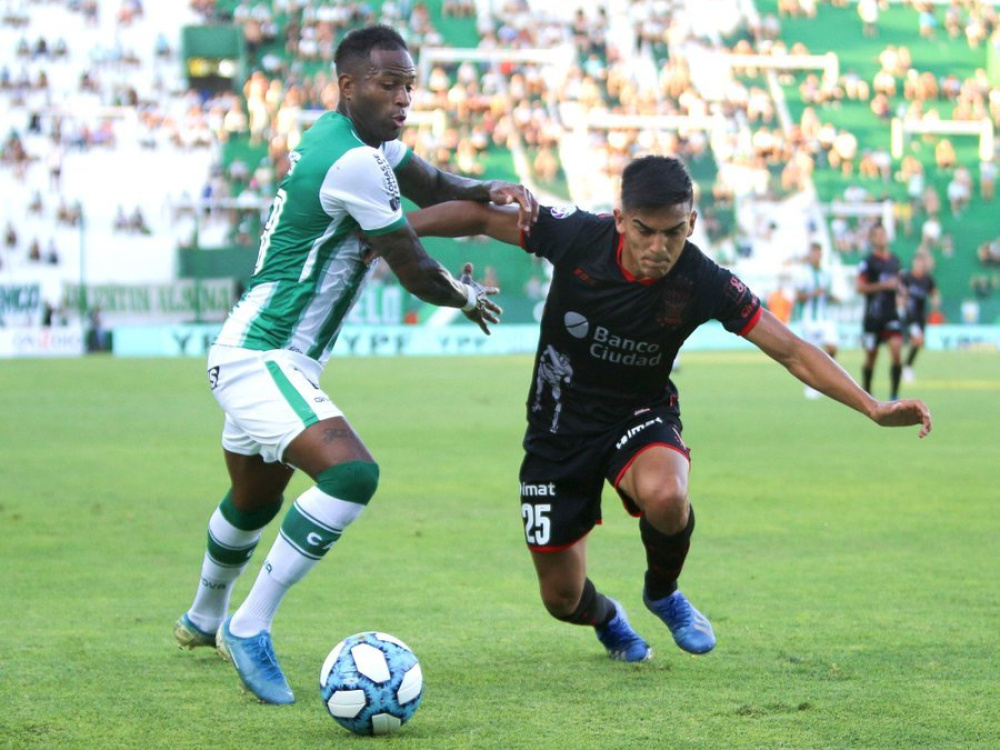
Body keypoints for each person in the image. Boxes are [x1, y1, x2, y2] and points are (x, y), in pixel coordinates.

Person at [406, 155, 932, 664]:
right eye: (645, 231)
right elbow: (477, 214)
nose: (659, 247)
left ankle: (663, 592)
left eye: (674, 232)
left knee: (668, 492)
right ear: (619, 220)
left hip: (638, 412)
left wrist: (871, 406)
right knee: (561, 600)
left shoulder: (704, 281)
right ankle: (608, 619)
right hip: (557, 427)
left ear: (692, 223)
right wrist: (391, 234)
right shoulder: (576, 235)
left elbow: (791, 349)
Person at [172, 25, 538, 705]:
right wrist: (464, 294)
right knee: (351, 473)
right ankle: (249, 625)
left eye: (409, 85)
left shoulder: (347, 142)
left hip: (265, 353)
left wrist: (488, 186)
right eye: (388, 83)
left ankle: (203, 616)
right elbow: (412, 266)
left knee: (254, 500)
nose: (403, 97)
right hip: (264, 355)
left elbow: (431, 182)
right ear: (347, 85)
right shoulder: (355, 166)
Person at [857, 221, 904, 400]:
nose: (881, 237)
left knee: (896, 349)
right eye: (877, 235)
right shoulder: (868, 263)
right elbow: (860, 288)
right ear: (872, 239)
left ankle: (894, 395)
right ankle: (867, 395)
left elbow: (899, 283)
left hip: (891, 314)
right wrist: (883, 285)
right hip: (873, 316)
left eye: (883, 234)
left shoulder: (895, 261)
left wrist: (902, 292)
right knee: (871, 356)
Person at [794, 241, 839, 399]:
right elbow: (798, 296)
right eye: (814, 253)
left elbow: (826, 294)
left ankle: (824, 377)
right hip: (809, 319)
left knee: (832, 347)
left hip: (824, 318)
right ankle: (811, 385)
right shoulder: (803, 273)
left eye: (819, 253)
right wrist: (814, 293)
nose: (817, 256)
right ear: (810, 254)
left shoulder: (825, 274)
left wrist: (834, 298)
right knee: (811, 354)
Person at [899, 254, 939, 383]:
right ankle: (906, 367)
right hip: (909, 316)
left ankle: (906, 366)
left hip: (921, 316)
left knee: (918, 342)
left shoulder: (927, 279)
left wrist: (935, 300)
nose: (919, 265)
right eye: (917, 262)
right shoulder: (907, 277)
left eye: (921, 262)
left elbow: (934, 292)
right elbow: (900, 292)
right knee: (918, 339)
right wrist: (901, 301)